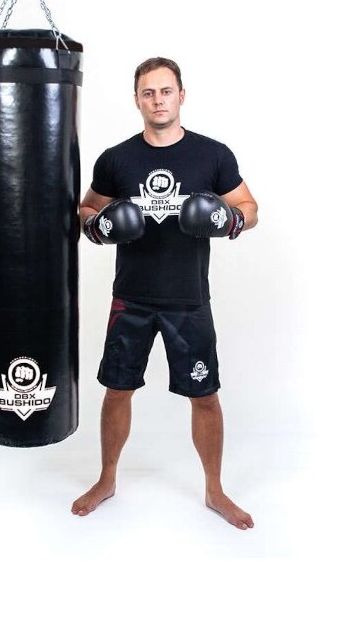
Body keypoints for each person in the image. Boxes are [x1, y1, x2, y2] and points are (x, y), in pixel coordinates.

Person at [71, 57, 259, 530]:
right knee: (118, 390)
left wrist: (231, 218)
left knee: (205, 396)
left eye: (166, 91)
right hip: (131, 297)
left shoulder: (212, 155)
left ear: (181, 95)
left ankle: (214, 489)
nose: (158, 100)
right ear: (137, 100)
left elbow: (249, 206)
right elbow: (86, 209)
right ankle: (107, 479)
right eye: (148, 93)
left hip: (188, 298)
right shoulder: (116, 159)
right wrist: (97, 226)